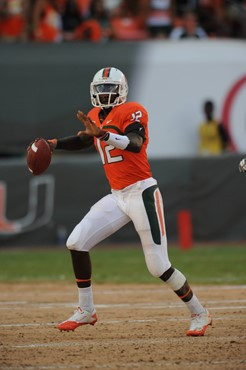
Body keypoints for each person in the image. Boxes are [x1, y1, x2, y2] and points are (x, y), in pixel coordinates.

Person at [47, 66, 212, 336]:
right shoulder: (94, 116)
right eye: (100, 89)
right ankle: (86, 310)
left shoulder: (133, 110)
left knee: (158, 265)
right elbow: (84, 141)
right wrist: (55, 143)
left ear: (121, 90)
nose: (104, 94)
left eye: (109, 88)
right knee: (76, 242)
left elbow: (135, 142)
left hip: (142, 192)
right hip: (117, 195)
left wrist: (103, 135)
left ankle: (199, 312)